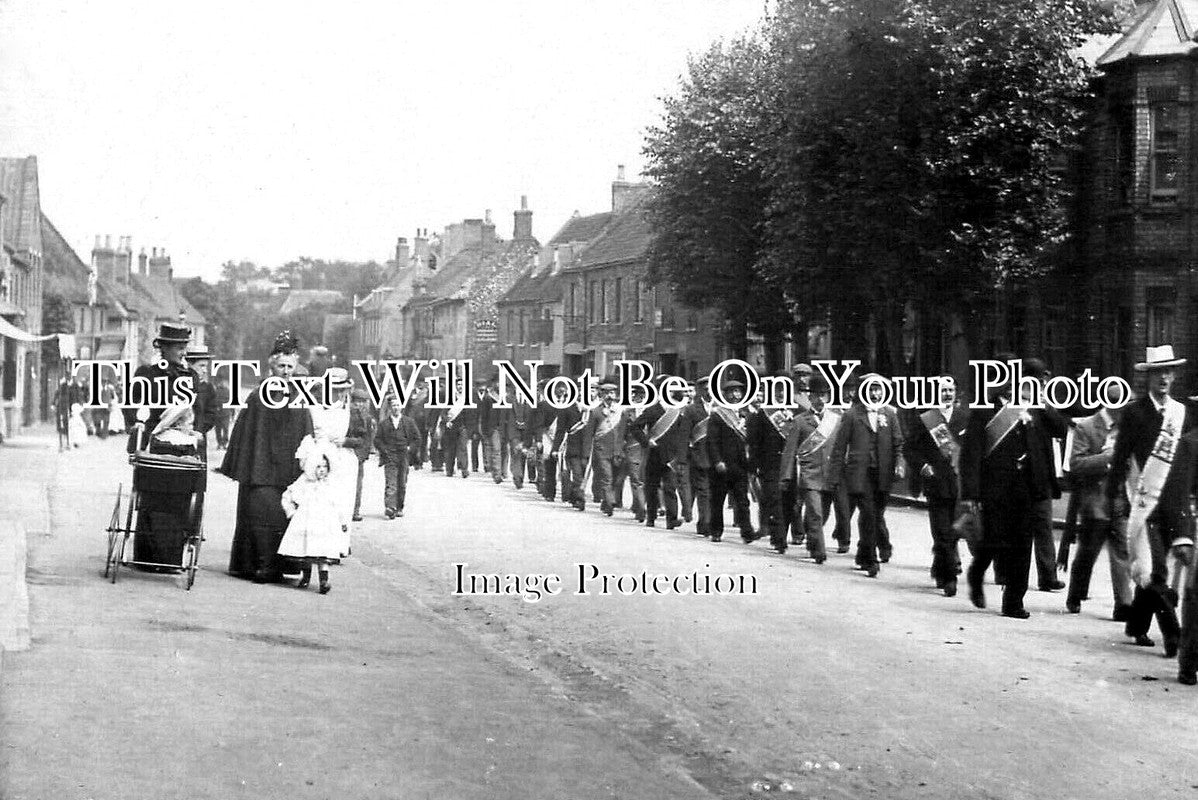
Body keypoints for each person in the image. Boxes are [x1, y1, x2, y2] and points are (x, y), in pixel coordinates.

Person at [961, 356, 1068, 618]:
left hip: (1028, 486)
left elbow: (1061, 429)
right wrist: (971, 494)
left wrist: (1043, 403)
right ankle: (977, 573)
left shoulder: (1036, 406)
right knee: (995, 539)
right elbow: (971, 454)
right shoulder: (986, 409)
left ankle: (1013, 602)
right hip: (995, 486)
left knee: (1023, 543)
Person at [1107, 345, 1195, 652]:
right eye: (1159, 372)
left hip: (1173, 502)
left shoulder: (1181, 413)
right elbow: (1120, 458)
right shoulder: (1134, 412)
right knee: (1154, 570)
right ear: (1148, 376)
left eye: (1169, 372)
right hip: (1142, 503)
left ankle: (1136, 623)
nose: (1164, 378)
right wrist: (1112, 498)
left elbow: (1186, 459)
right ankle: (1174, 634)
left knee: (1160, 571)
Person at [219, 331, 314, 583]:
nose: (285, 371)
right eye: (281, 366)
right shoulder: (258, 396)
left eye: (290, 367)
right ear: (272, 366)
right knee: (259, 516)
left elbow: (306, 434)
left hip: (287, 471)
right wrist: (245, 465)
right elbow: (244, 432)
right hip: (260, 471)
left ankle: (278, 566)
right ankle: (256, 566)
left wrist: (308, 464)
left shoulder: (298, 398)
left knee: (282, 517)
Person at [1065, 384, 1134, 619]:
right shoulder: (1086, 427)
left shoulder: (1127, 428)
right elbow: (1075, 464)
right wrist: (1106, 459)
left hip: (1121, 499)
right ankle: (1076, 593)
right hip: (1095, 499)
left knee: (1121, 550)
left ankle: (1123, 603)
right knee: (1088, 552)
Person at [827, 374, 905, 578]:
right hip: (860, 475)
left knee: (876, 515)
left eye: (878, 389)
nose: (875, 393)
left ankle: (862, 552)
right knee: (869, 514)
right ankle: (871, 560)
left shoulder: (890, 414)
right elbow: (839, 447)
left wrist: (899, 464)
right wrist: (834, 477)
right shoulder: (852, 415)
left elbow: (898, 443)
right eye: (871, 389)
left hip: (883, 473)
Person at [904, 375, 969, 596]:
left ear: (956, 394)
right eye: (943, 390)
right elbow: (909, 449)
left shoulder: (964, 418)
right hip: (936, 484)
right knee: (941, 532)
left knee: (953, 532)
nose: (947, 394)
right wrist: (922, 466)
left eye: (950, 390)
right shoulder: (926, 420)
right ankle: (949, 578)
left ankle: (941, 568)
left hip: (960, 486)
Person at [781, 375, 840, 563]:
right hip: (809, 473)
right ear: (811, 398)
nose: (821, 399)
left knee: (822, 513)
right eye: (817, 395)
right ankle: (819, 552)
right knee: (815, 511)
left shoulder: (836, 420)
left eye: (824, 395)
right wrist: (786, 476)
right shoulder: (799, 421)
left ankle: (812, 538)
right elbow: (790, 451)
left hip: (830, 474)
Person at [122, 323, 199, 452]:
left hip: (183, 441)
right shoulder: (146, 373)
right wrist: (136, 422)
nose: (184, 353)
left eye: (185, 348)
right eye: (179, 348)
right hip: (151, 441)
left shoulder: (191, 376)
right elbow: (130, 403)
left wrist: (198, 430)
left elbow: (198, 408)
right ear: (164, 348)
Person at [278, 443, 341, 594]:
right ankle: (305, 577)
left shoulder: (330, 483)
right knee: (306, 550)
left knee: (323, 554)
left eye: (325, 467)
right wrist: (291, 512)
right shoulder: (304, 482)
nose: (321, 470)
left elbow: (338, 502)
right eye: (318, 467)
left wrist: (342, 520)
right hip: (306, 521)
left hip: (324, 524)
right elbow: (287, 495)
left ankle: (324, 581)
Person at [309, 367, 358, 558]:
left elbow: (363, 437)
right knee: (321, 501)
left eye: (340, 389)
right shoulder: (314, 408)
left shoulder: (349, 410)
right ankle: (319, 547)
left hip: (343, 459)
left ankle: (339, 545)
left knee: (342, 502)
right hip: (321, 456)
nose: (336, 393)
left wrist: (347, 442)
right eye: (333, 389)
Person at [748, 371, 799, 553]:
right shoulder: (763, 414)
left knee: (789, 502)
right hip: (769, 465)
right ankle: (779, 539)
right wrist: (753, 467)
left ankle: (785, 534)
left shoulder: (799, 411)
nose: (780, 393)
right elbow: (754, 442)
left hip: (792, 465)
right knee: (775, 501)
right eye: (777, 388)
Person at [706, 377, 756, 543]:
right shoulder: (717, 415)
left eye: (738, 392)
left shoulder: (747, 415)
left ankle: (747, 532)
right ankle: (716, 531)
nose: (735, 395)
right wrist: (717, 461)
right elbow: (712, 441)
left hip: (740, 466)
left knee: (743, 501)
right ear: (725, 395)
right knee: (718, 501)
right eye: (731, 392)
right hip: (722, 465)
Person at [583, 376, 626, 516]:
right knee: (607, 477)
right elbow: (589, 433)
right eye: (606, 393)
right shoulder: (595, 412)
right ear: (601, 395)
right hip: (601, 450)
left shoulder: (622, 411)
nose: (609, 396)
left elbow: (625, 431)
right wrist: (586, 452)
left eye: (612, 393)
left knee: (616, 478)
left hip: (618, 450)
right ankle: (609, 503)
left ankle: (605, 501)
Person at [376, 395, 420, 518]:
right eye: (393, 405)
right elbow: (377, 440)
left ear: (401, 407)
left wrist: (410, 448)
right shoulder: (384, 424)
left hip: (404, 455)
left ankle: (399, 507)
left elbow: (417, 438)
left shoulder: (408, 422)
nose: (396, 408)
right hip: (390, 455)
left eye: (398, 405)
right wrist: (384, 450)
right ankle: (390, 507)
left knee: (402, 482)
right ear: (390, 407)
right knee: (391, 482)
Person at [348, 388, 377, 522]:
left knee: (358, 484)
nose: (359, 405)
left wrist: (363, 455)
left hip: (358, 455)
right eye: (357, 402)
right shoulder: (346, 414)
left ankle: (355, 510)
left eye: (362, 402)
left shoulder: (368, 418)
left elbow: (369, 438)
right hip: (346, 452)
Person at [212, 373, 231, 450]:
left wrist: (232, 412)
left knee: (225, 429)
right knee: (218, 429)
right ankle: (220, 443)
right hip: (218, 412)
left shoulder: (228, 391)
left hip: (225, 413)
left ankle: (224, 443)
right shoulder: (216, 391)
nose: (223, 383)